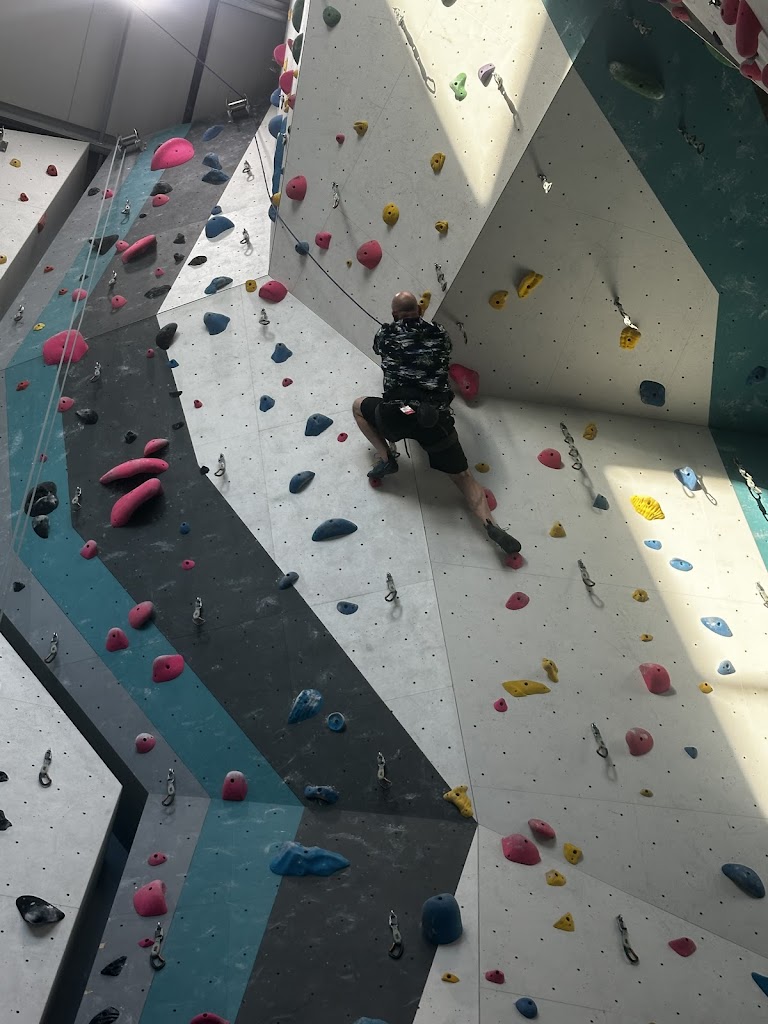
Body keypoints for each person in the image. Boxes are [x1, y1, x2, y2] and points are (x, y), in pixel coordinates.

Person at [353, 291, 522, 555]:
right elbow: (444, 353)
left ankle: (386, 457)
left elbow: (379, 350)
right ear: (420, 311)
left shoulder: (385, 334)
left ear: (394, 314)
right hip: (435, 418)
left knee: (358, 407)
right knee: (464, 477)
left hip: (399, 411)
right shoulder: (439, 333)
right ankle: (490, 524)